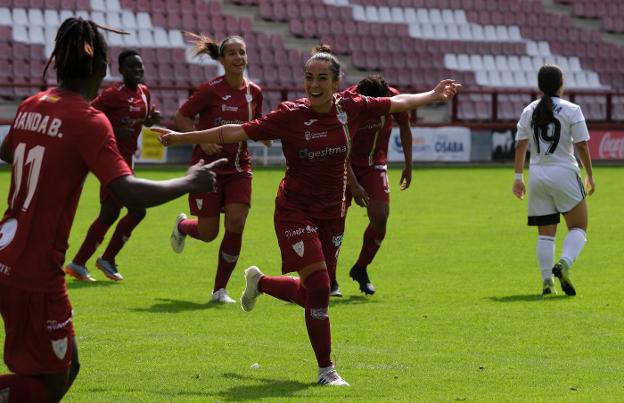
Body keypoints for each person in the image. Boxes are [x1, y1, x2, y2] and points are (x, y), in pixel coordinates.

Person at [157, 45, 459, 386]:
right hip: (294, 210)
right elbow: (236, 131)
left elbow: (397, 103)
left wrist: (433, 94)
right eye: (309, 77)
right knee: (318, 286)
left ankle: (260, 282)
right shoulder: (289, 115)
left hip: (333, 212)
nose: (314, 84)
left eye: (322, 78)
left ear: (335, 82)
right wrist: (183, 137)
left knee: (315, 292)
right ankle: (326, 370)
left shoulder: (351, 107)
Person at [0, 17, 222, 402]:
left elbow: (8, 151)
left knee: (69, 367)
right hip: (35, 273)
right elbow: (128, 192)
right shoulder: (88, 120)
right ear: (103, 68)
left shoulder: (31, 104)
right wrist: (190, 181)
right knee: (49, 384)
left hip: (7, 251)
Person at [169, 33, 266, 304]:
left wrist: (267, 134)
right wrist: (202, 136)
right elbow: (181, 116)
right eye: (232, 53)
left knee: (236, 222)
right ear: (222, 59)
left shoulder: (254, 92)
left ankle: (219, 291)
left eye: (242, 52)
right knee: (209, 232)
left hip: (238, 167)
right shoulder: (210, 89)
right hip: (208, 169)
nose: (238, 57)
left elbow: (255, 125)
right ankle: (183, 226)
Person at [64, 49, 161, 282]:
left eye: (140, 66)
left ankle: (81, 262)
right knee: (134, 210)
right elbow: (88, 116)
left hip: (127, 159)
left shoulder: (144, 92)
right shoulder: (111, 95)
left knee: (112, 213)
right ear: (120, 70)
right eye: (131, 67)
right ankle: (98, 260)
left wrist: (149, 120)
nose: (137, 71)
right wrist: (114, 131)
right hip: (111, 159)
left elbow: (142, 117)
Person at [513, 64, 595, 296]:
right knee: (578, 227)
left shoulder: (529, 110)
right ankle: (565, 264)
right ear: (561, 84)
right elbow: (581, 144)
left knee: (545, 234)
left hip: (538, 173)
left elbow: (521, 145)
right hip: (565, 172)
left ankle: (547, 281)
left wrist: (518, 177)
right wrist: (589, 174)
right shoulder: (571, 109)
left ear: (539, 86)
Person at [329, 75, 413, 297]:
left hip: (374, 163)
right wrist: (354, 185)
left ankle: (361, 268)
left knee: (380, 216)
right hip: (343, 165)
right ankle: (329, 279)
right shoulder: (345, 103)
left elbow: (405, 125)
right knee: (335, 222)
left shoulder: (392, 97)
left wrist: (408, 164)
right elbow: (338, 146)